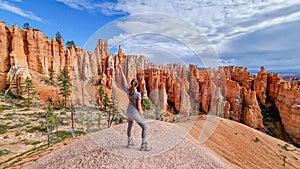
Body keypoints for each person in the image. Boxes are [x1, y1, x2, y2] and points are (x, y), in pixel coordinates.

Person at [119, 65, 151, 151]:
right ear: (137, 85)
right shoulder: (138, 94)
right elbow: (139, 107)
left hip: (128, 111)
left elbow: (123, 81)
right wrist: (142, 117)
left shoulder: (128, 90)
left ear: (131, 84)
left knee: (130, 126)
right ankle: (143, 145)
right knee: (145, 127)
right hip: (134, 112)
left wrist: (121, 70)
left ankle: (129, 143)